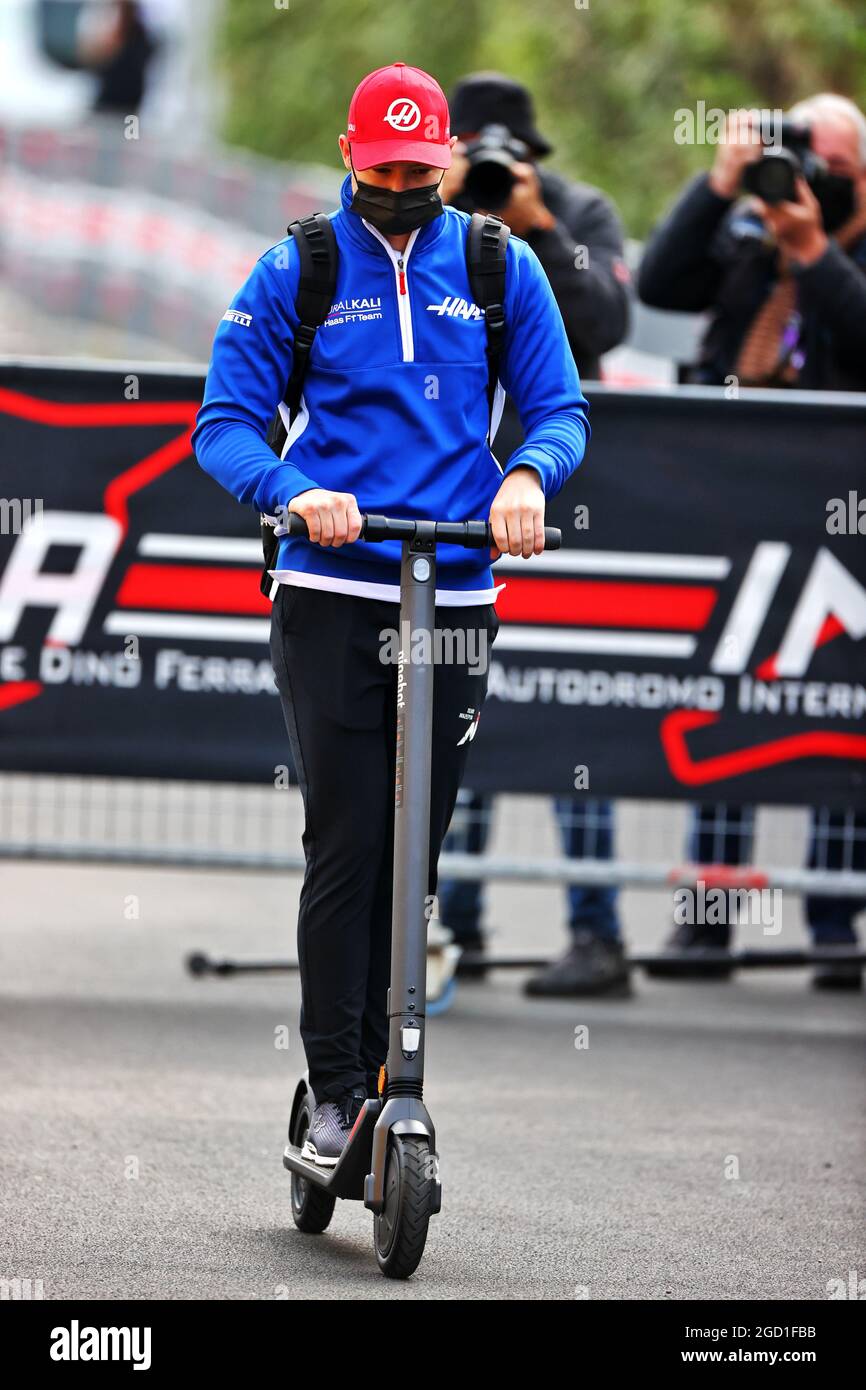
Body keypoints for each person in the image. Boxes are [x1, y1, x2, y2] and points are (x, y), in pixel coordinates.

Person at [193, 63, 589, 1163]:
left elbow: (556, 406)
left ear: (451, 158)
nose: (403, 185)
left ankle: (383, 1072)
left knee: (416, 854)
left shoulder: (499, 265)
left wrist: (525, 479)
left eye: (421, 169)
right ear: (346, 155)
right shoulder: (299, 267)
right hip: (332, 590)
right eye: (383, 169)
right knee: (352, 840)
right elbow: (222, 424)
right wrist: (291, 491)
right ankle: (334, 1090)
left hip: (455, 589)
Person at [638, 93, 866, 987]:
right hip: (738, 516)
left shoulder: (826, 247)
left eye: (829, 166)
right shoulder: (745, 233)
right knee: (730, 705)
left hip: (842, 523)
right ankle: (710, 918)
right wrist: (718, 181)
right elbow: (657, 283)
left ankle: (836, 920)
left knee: (837, 718)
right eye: (795, 155)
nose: (805, 178)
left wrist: (815, 254)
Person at [435, 72, 631, 998]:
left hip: (560, 496)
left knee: (569, 711)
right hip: (456, 505)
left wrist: (536, 223)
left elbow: (606, 328)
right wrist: (440, 209)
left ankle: (596, 930)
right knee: (453, 711)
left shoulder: (573, 211)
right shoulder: (423, 228)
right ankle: (447, 928)